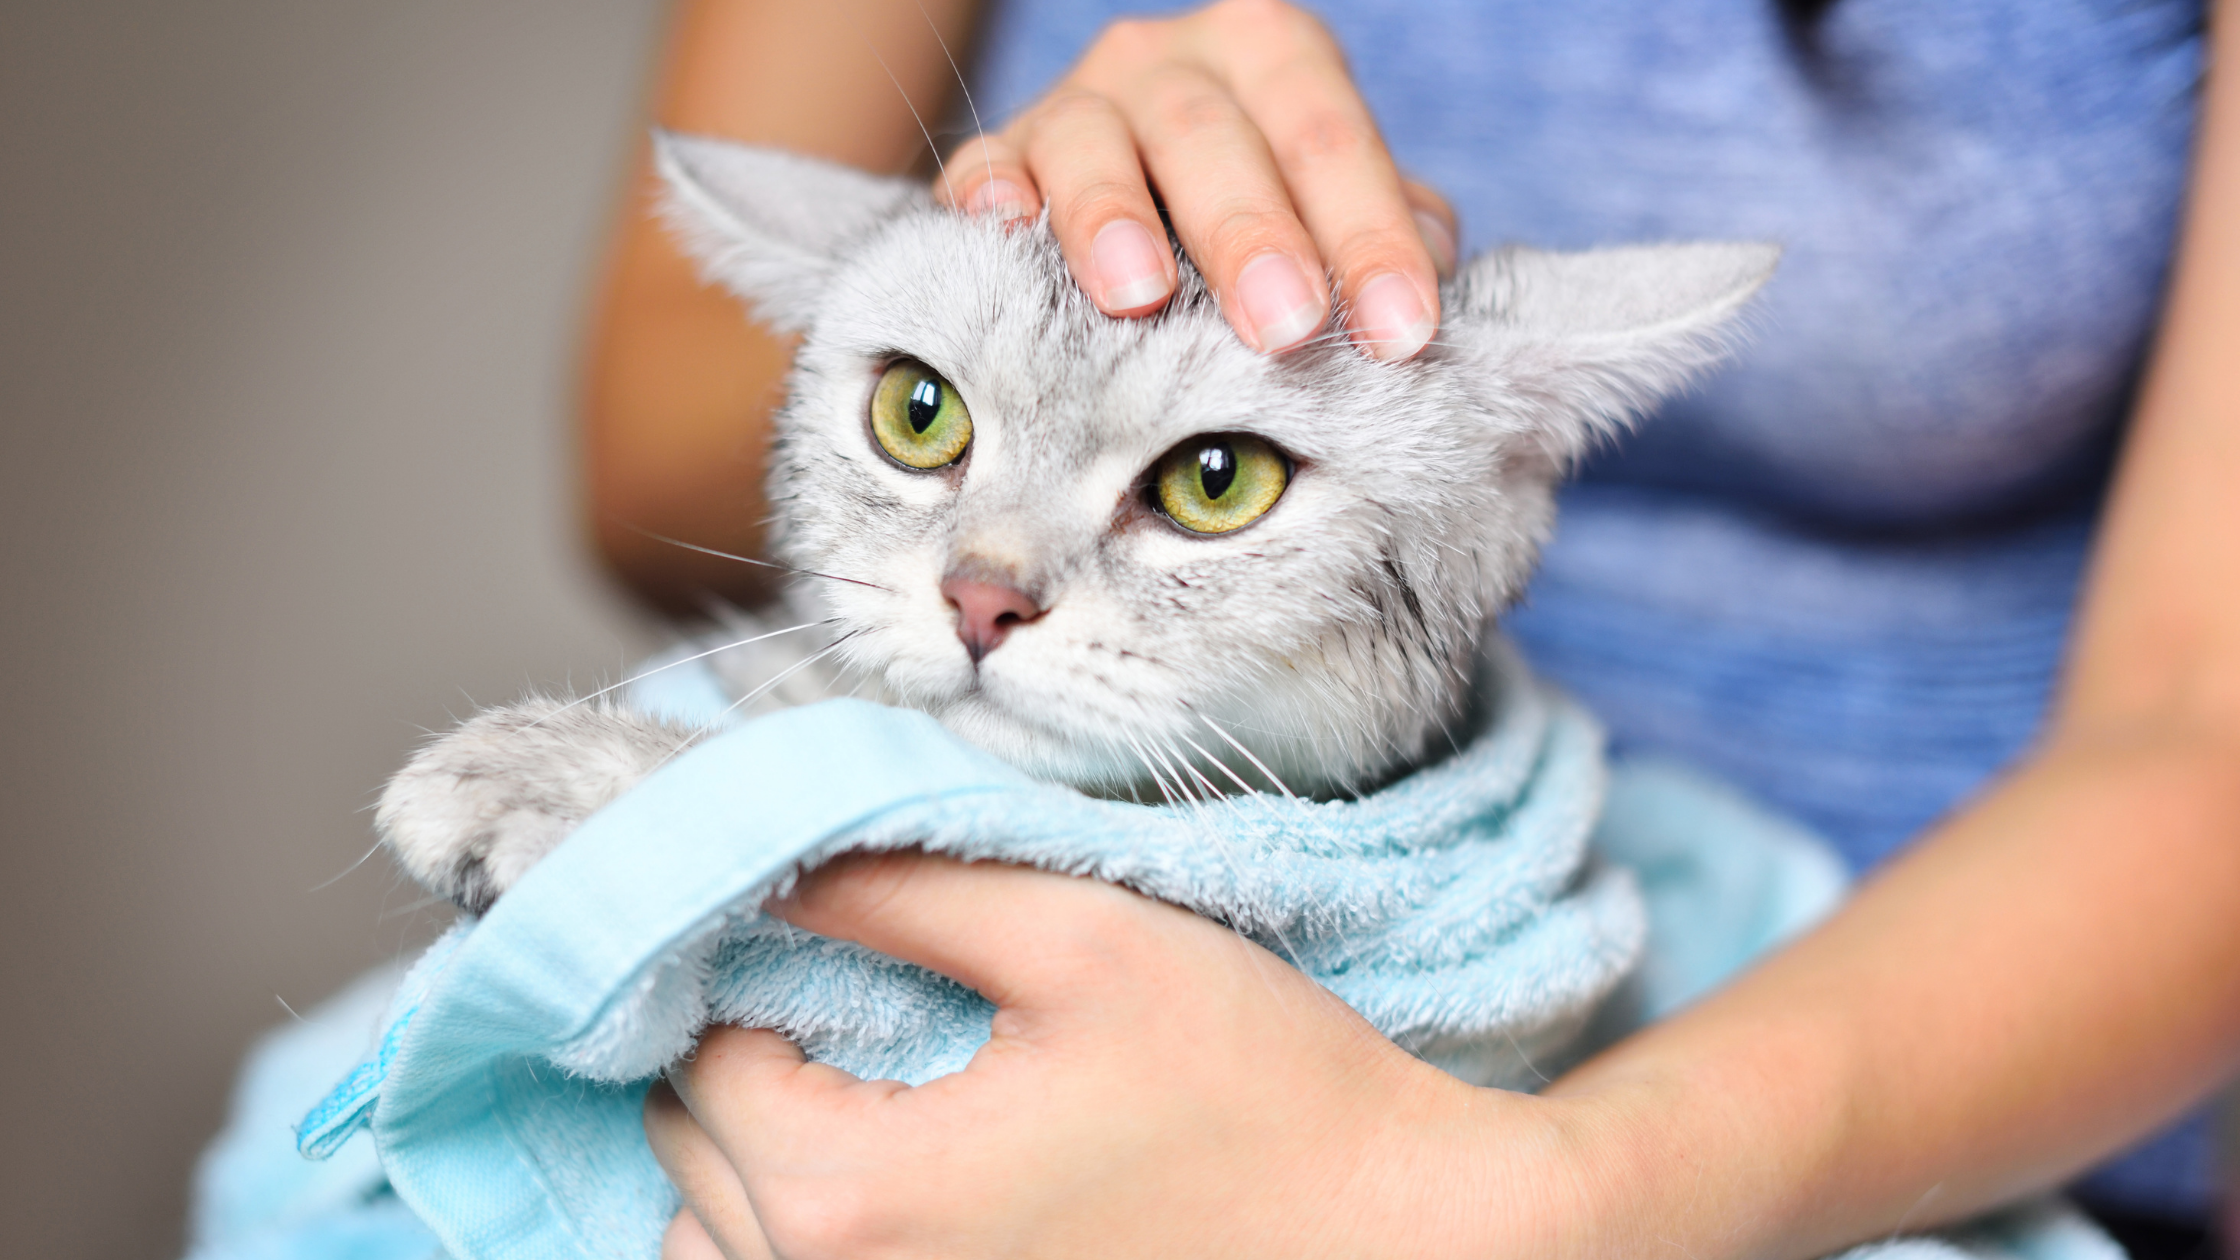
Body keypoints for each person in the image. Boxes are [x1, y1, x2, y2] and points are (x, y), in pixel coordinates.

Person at [582, 1, 2240, 1256]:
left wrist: (1522, 1202)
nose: (998, 582)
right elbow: (644, 419)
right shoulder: (985, 564)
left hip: (1903, 1092)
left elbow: (2205, 717)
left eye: (1212, 476)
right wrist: (967, 283)